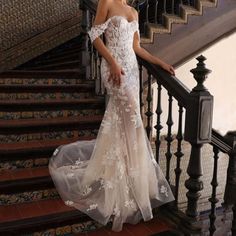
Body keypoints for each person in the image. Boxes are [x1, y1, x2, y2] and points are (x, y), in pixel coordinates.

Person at [48, 0, 175, 232]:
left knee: (130, 124)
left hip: (131, 68)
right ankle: (124, 186)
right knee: (134, 123)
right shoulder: (106, 2)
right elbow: (95, 35)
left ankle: (130, 180)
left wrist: (161, 62)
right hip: (114, 67)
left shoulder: (133, 11)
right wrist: (113, 63)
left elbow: (137, 48)